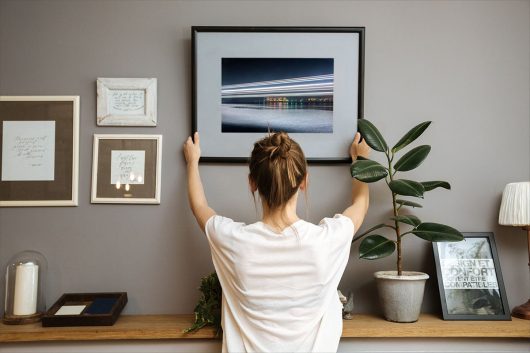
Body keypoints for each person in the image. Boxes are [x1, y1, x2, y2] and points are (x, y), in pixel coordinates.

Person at [183, 131, 370, 353]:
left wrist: (193, 161)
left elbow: (199, 207)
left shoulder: (234, 241)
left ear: (252, 183)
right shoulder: (326, 241)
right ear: (304, 182)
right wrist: (361, 160)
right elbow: (361, 204)